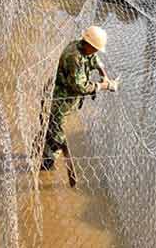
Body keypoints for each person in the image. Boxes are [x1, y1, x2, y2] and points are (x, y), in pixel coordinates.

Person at [41, 26, 119, 170]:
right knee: (56, 135)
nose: (96, 52)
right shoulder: (74, 57)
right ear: (88, 44)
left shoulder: (83, 46)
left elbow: (94, 59)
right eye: (95, 48)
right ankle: (46, 165)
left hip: (66, 101)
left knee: (52, 128)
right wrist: (103, 86)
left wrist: (104, 74)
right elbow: (80, 86)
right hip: (58, 101)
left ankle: (42, 147)